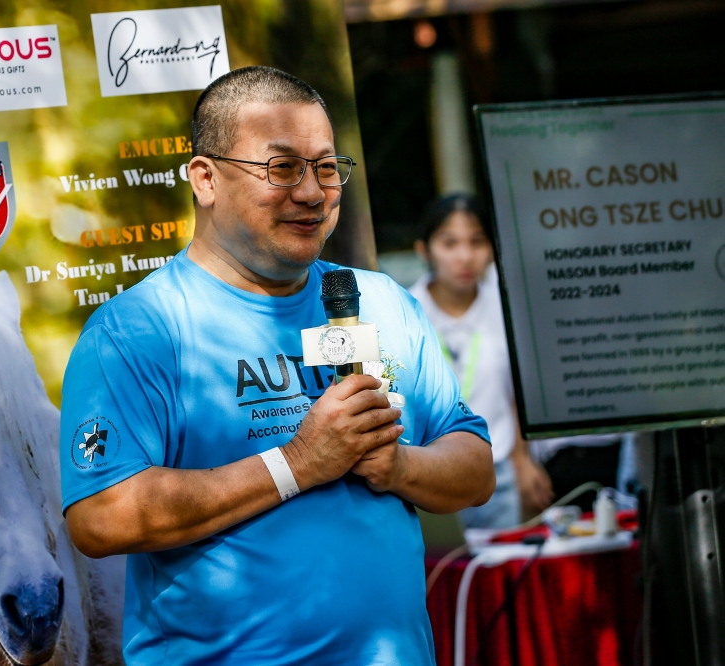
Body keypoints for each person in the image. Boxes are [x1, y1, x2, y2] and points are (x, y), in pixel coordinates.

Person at [60, 66, 495, 665]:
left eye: (325, 167)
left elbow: (473, 467)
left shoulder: (381, 301)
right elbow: (100, 517)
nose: (313, 192)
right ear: (206, 179)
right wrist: (298, 464)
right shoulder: (139, 330)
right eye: (282, 167)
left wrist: (397, 466)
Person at [410, 194, 554, 529]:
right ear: (424, 250)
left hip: (497, 469)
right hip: (428, 473)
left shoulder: (508, 307)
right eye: (450, 243)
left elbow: (516, 390)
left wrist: (522, 461)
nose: (465, 256)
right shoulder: (405, 311)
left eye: (477, 242)